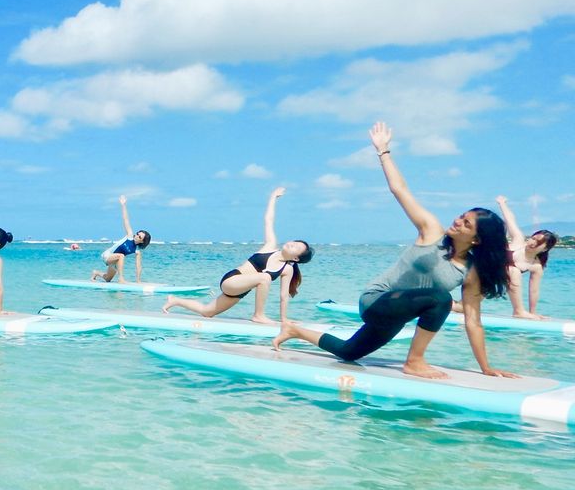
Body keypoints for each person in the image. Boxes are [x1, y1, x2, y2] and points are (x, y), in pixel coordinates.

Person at [274, 122, 514, 380]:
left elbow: (473, 320)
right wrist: (383, 151)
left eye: (466, 224)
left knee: (349, 352)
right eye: (461, 216)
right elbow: (400, 190)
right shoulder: (432, 230)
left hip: (397, 315)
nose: (457, 221)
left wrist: (485, 367)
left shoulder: (471, 271)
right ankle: (414, 361)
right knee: (441, 299)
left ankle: (294, 330)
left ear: (477, 240)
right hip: (376, 301)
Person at [162, 187, 312, 324]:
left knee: (207, 312)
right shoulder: (270, 246)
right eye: (295, 242)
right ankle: (259, 315)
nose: (292, 243)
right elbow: (268, 220)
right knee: (265, 277)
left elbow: (283, 296)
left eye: (297, 247)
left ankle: (175, 300)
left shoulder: (287, 270)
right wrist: (273, 197)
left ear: (296, 258)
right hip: (231, 281)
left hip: (241, 291)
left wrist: (284, 319)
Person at [496, 196, 558, 320]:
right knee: (514, 271)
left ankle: (520, 312)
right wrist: (502, 203)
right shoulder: (519, 240)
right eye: (533, 238)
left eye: (538, 243)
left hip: (493, 281)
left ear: (545, 249)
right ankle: (519, 311)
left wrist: (532, 312)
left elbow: (533, 291)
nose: (532, 243)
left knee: (514, 271)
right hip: (483, 270)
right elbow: (510, 220)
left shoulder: (536, 266)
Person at [91, 196, 151, 283]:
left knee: (107, 279)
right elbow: (125, 219)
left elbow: (138, 266)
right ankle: (121, 279)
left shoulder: (137, 251)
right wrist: (123, 205)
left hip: (116, 262)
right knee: (121, 255)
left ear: (142, 241)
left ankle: (95, 273)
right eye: (138, 233)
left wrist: (138, 281)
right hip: (108, 255)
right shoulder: (129, 236)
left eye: (140, 237)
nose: (137, 235)